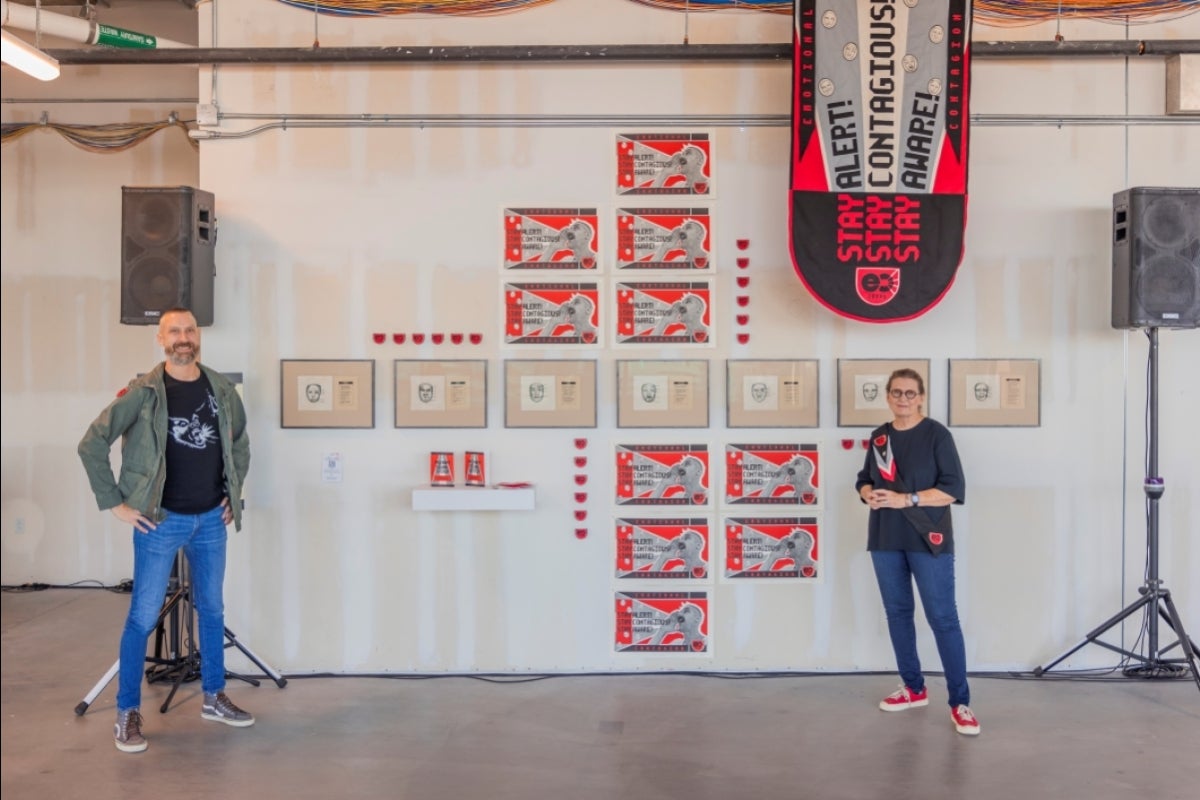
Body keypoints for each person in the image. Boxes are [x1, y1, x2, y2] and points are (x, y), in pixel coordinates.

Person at [78, 307, 253, 753]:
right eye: (174, 330)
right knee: (141, 617)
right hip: (160, 521)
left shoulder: (221, 390)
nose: (184, 337)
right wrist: (115, 503)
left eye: (190, 330)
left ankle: (213, 696)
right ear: (161, 339)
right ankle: (127, 712)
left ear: (198, 337)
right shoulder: (144, 393)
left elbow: (239, 443)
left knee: (212, 610)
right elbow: (91, 442)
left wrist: (233, 495)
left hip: (212, 520)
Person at [854, 368, 980, 736]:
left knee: (943, 618)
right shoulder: (880, 437)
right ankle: (913, 688)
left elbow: (953, 488)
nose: (903, 399)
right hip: (885, 537)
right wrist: (867, 494)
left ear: (921, 396)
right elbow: (864, 480)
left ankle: (961, 703)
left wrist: (904, 498)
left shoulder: (937, 435)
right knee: (897, 614)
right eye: (896, 392)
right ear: (888, 396)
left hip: (929, 538)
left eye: (910, 393)